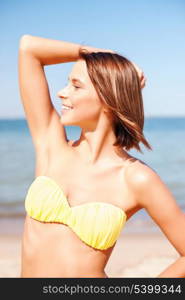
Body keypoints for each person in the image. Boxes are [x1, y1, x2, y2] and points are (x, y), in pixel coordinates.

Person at [18, 35, 185, 278]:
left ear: (108, 97)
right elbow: (28, 48)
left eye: (76, 85)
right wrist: (104, 56)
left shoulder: (136, 178)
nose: (62, 93)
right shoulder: (51, 145)